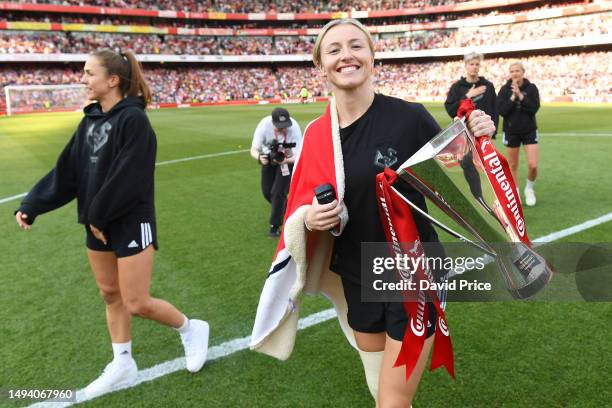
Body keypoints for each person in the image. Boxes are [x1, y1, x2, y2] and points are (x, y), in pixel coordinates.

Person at [250, 19, 495, 406]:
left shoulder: (408, 117)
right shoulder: (316, 134)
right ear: (320, 65)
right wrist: (309, 219)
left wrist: (476, 133)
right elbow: (298, 208)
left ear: (372, 56)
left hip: (415, 273)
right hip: (357, 272)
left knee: (391, 401)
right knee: (379, 384)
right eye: (333, 50)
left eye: (355, 46)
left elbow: (455, 160)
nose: (346, 55)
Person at [14, 49, 209, 398]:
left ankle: (191, 328)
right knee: (110, 294)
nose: (83, 79)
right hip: (96, 222)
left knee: (137, 302)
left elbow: (129, 177)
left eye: (90, 73)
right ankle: (123, 362)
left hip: (130, 220)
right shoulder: (89, 121)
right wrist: (33, 204)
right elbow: (68, 172)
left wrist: (99, 215)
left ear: (112, 80)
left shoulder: (134, 121)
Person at [250, 107, 302, 237]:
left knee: (278, 192)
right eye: (280, 127)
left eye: (285, 126)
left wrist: (285, 160)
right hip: (269, 158)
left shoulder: (294, 127)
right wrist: (260, 158)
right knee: (267, 192)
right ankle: (289, 212)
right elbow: (253, 149)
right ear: (273, 123)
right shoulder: (263, 125)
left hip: (287, 160)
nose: (283, 129)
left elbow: (299, 155)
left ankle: (275, 226)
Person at [497, 61, 541, 206]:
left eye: (517, 71)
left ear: (523, 72)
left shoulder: (531, 88)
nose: (515, 73)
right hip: (511, 131)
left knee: (533, 165)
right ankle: (515, 193)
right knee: (512, 165)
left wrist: (520, 95)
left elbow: (534, 108)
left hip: (529, 130)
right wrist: (512, 97)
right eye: (512, 71)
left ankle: (529, 189)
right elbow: (502, 111)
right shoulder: (504, 90)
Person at [445, 51, 499, 139]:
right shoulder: (456, 87)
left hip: (484, 132)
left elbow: (495, 109)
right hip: (463, 133)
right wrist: (467, 96)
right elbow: (451, 110)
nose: (474, 67)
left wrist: (493, 131)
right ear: (466, 65)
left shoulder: (488, 85)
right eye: (471, 64)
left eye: (477, 64)